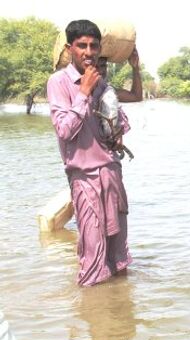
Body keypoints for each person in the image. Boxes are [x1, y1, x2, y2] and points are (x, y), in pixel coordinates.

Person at [47, 19, 132, 287]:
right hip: (84, 177)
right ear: (70, 48)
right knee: (93, 255)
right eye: (81, 45)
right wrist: (83, 92)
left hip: (111, 171)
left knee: (119, 254)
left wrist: (118, 133)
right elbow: (64, 130)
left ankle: (119, 310)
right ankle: (95, 315)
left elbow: (119, 125)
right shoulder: (59, 82)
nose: (88, 51)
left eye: (93, 46)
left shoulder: (103, 84)